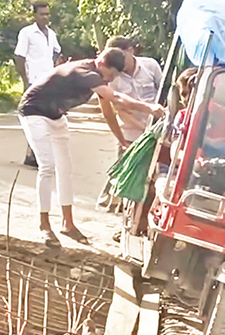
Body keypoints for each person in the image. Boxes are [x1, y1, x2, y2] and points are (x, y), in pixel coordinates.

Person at [18, 48, 162, 248]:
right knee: (47, 166)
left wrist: (122, 141)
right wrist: (149, 108)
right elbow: (117, 99)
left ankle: (68, 224)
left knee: (65, 169)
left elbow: (108, 113)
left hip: (55, 115)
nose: (111, 80)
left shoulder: (100, 78)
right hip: (33, 111)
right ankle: (44, 225)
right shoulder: (85, 73)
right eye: (111, 74)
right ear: (102, 63)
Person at [97, 36, 165, 212]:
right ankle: (124, 219)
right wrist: (145, 132)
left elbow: (163, 95)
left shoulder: (151, 66)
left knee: (154, 179)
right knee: (128, 181)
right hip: (132, 133)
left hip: (159, 130)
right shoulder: (111, 77)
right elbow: (119, 110)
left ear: (131, 51)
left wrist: (158, 128)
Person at [14, 1, 61, 167]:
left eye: (47, 14)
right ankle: (34, 155)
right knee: (33, 118)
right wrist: (26, 81)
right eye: (42, 14)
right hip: (33, 81)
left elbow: (56, 51)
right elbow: (19, 58)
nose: (45, 17)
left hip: (48, 82)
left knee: (45, 118)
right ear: (34, 15)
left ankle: (34, 154)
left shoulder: (51, 34)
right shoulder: (27, 33)